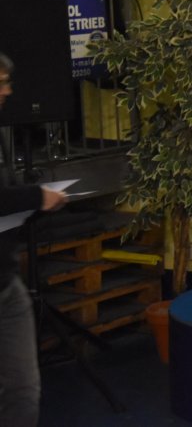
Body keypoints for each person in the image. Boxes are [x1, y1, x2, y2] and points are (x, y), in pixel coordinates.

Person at [0, 52, 68, 426]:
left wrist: (35, 202)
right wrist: (36, 197)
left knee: (24, 390)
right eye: (1, 84)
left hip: (6, 284)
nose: (8, 91)